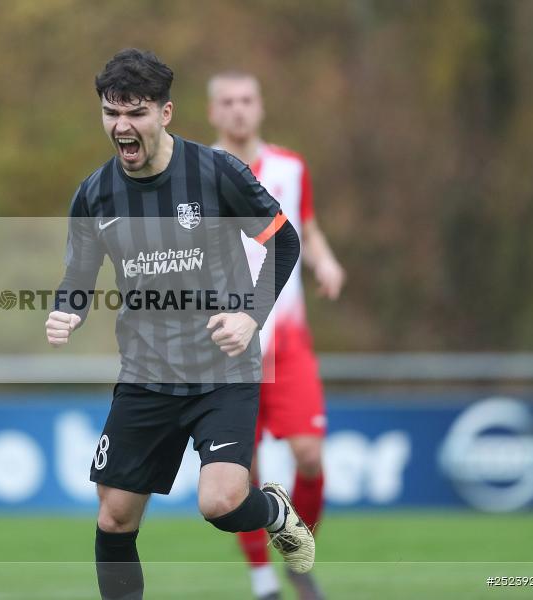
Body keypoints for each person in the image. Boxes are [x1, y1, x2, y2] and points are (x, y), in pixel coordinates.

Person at [45, 49, 314, 600]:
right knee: (114, 517)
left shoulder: (216, 174)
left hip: (224, 367)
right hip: (146, 371)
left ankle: (274, 510)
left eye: (136, 112)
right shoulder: (94, 194)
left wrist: (251, 317)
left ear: (165, 113)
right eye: (111, 113)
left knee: (220, 504)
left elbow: (285, 241)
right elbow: (79, 270)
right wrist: (68, 307)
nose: (122, 126)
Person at [208, 71, 346, 600]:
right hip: (228, 346)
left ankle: (298, 555)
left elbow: (305, 229)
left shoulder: (291, 167)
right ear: (213, 111)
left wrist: (325, 261)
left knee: (310, 457)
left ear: (260, 106)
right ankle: (262, 579)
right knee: (240, 472)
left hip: (287, 343)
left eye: (247, 100)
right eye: (228, 102)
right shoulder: (200, 173)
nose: (239, 110)